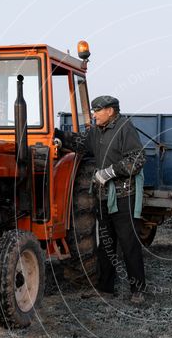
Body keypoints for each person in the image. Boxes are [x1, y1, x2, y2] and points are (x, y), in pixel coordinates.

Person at [54, 95, 147, 304]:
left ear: (110, 111)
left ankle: (137, 290)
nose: (94, 114)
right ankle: (106, 288)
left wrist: (110, 172)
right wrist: (56, 134)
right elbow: (79, 142)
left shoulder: (125, 128)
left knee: (129, 243)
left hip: (123, 196)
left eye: (97, 110)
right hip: (103, 196)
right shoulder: (96, 131)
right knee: (105, 244)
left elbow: (138, 160)